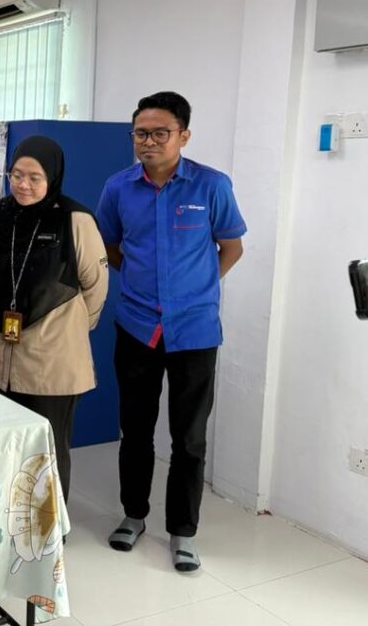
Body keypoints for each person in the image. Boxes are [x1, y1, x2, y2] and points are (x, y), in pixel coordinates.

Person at [96, 91, 245, 573]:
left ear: (184, 135)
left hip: (195, 331)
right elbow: (109, 245)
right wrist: (142, 283)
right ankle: (133, 515)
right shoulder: (118, 188)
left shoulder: (212, 186)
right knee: (136, 430)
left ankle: (183, 531)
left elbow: (231, 247)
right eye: (141, 133)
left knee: (190, 438)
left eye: (161, 133)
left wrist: (198, 289)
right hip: (137, 326)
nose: (149, 141)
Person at [0, 135, 108, 505]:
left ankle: (50, 528)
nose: (23, 185)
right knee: (6, 446)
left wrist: (71, 328)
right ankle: (7, 524)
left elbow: (95, 286)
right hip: (2, 356)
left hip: (53, 359)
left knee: (46, 451)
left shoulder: (75, 220)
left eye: (35, 177)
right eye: (16, 175)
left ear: (52, 177)